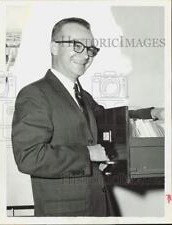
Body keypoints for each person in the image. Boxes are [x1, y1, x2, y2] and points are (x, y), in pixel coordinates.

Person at [12, 17, 163, 217]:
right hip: (64, 214)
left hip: (97, 207)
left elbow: (108, 119)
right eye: (77, 46)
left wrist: (151, 113)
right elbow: (28, 157)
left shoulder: (81, 95)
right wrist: (88, 154)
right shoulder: (34, 94)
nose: (85, 55)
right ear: (54, 47)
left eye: (90, 49)